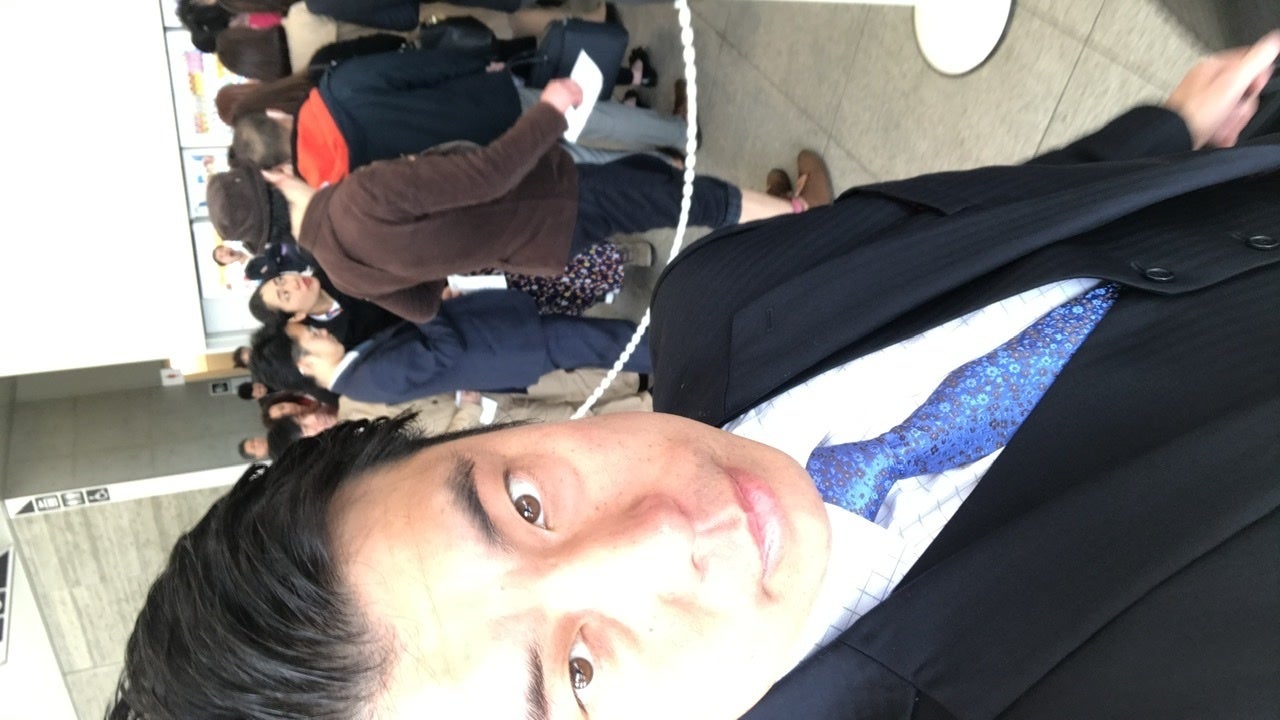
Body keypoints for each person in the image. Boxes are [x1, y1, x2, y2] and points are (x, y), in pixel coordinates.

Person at [112, 34, 1280, 720]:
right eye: (575, 677)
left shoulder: (722, 300)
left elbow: (993, 217)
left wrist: (1156, 136)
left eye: (524, 500)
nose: (668, 534)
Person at [267, 77, 820, 322]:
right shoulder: (356, 197)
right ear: (276, 178)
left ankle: (766, 214)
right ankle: (801, 216)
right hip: (547, 203)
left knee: (649, 178)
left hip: (537, 240)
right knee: (677, 197)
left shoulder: (339, 270)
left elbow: (423, 306)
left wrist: (443, 249)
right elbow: (487, 176)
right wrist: (550, 110)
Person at [282, 288, 651, 402]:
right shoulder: (368, 379)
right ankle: (678, 352)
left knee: (607, 340)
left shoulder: (359, 372)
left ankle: (667, 348)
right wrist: (421, 310)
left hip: (502, 343)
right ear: (306, 365)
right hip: (506, 348)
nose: (321, 332)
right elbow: (446, 352)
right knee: (610, 343)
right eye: (312, 337)